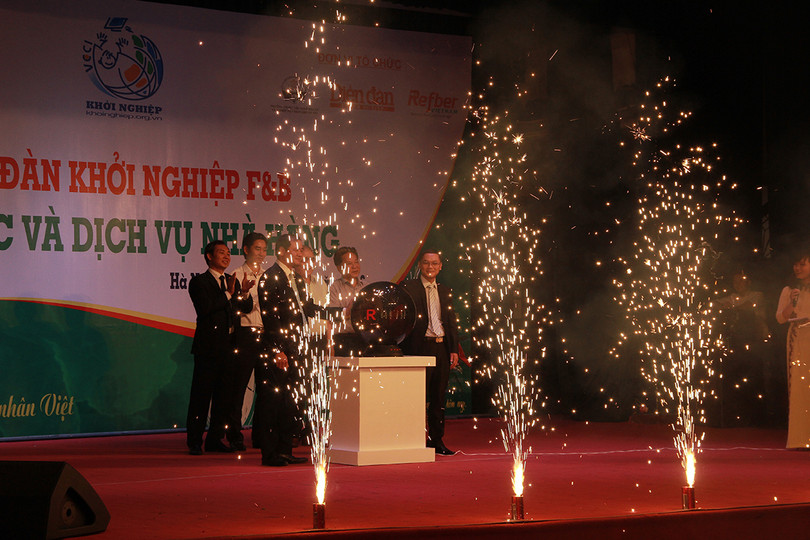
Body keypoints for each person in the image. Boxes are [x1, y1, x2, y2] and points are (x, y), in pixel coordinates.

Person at [186, 240, 253, 455]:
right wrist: (227, 294)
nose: (226, 257)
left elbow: (245, 308)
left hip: (230, 347)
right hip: (208, 348)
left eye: (228, 253)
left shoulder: (231, 280)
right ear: (209, 256)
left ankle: (215, 439)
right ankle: (194, 440)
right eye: (221, 253)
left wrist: (243, 293)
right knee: (201, 396)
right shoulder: (199, 282)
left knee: (224, 397)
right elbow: (205, 308)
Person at [255, 234, 310, 466]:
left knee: (290, 402)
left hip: (296, 347)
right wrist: (278, 350)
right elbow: (271, 318)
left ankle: (285, 449)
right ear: (281, 251)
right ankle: (269, 453)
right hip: (277, 350)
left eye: (301, 250)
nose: (299, 254)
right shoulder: (270, 277)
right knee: (273, 402)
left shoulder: (296, 278)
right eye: (295, 250)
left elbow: (306, 309)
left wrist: (338, 313)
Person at [400, 249, 460, 456]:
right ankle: (414, 439)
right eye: (426, 263)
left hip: (441, 347)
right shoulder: (409, 287)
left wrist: (453, 349)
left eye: (434, 263)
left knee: (438, 398)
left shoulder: (445, 290)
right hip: (419, 348)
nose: (430, 267)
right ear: (420, 265)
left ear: (440, 266)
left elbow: (451, 322)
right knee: (417, 397)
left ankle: (436, 440)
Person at [230, 232, 267, 450]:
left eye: (264, 249)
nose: (261, 253)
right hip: (244, 333)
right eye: (257, 249)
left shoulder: (268, 276)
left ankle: (260, 435)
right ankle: (234, 434)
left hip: (266, 334)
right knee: (239, 386)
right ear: (246, 249)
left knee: (265, 387)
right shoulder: (236, 274)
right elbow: (234, 308)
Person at [775, 249, 810, 449]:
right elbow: (780, 318)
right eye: (795, 264)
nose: (797, 268)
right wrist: (791, 302)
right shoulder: (789, 290)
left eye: (802, 264)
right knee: (799, 386)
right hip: (797, 339)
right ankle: (800, 438)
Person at [328, 246, 366, 355]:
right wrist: (348, 310)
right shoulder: (334, 288)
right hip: (343, 340)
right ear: (339, 268)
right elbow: (331, 316)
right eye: (349, 263)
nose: (354, 266)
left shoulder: (365, 287)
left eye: (356, 262)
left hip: (364, 339)